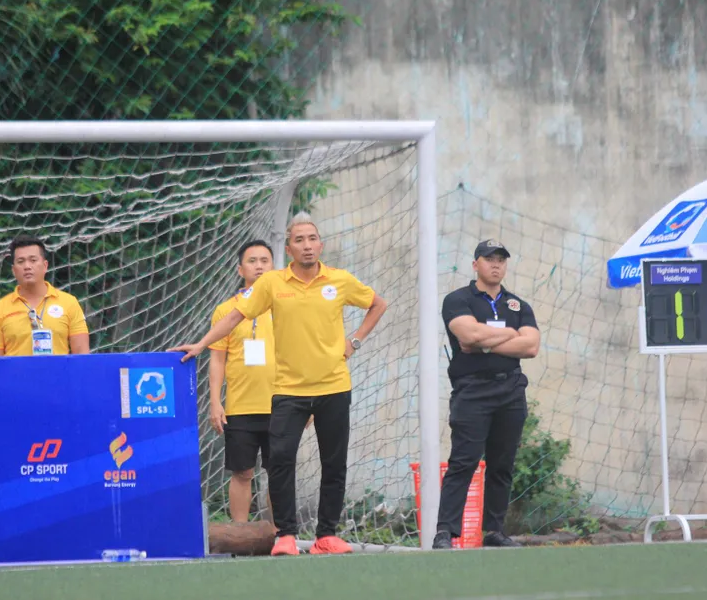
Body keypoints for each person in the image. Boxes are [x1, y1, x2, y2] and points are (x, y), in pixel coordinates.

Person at [170, 212, 388, 556]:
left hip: (333, 388)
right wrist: (201, 344)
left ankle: (326, 535)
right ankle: (285, 534)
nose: (307, 245)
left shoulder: (340, 280)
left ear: (321, 244)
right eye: (299, 240)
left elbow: (377, 304)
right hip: (288, 391)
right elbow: (235, 316)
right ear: (289, 249)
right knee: (281, 461)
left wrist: (355, 341)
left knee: (334, 463)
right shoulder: (273, 283)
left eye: (312, 239)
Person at [432, 239, 540, 549]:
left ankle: (494, 531)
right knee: (463, 462)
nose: (496, 264)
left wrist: (486, 343)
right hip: (473, 390)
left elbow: (531, 346)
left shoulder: (519, 305)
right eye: (489, 258)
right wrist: (509, 334)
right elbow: (468, 334)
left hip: (510, 390)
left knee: (502, 464)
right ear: (475, 264)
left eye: (501, 260)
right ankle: (445, 532)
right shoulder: (458, 299)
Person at [208, 239, 276, 522]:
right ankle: (240, 533)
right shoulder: (225, 311)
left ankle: (281, 535)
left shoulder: (285, 306)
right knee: (242, 472)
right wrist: (215, 402)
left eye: (265, 260)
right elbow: (217, 359)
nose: (259, 266)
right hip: (240, 406)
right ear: (240, 269)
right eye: (252, 261)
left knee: (279, 471)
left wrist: (306, 400)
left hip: (282, 404)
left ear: (273, 267)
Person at [0, 235, 90, 357]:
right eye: (20, 262)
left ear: (45, 266)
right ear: (14, 270)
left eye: (33, 260)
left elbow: (82, 355)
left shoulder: (69, 303)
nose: (27, 266)